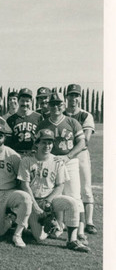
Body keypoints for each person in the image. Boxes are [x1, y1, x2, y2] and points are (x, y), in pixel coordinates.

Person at [17, 129, 90, 252]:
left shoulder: (57, 161)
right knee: (39, 238)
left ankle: (72, 240)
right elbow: (25, 185)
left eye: (50, 143)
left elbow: (59, 186)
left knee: (72, 203)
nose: (47, 146)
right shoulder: (27, 160)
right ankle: (44, 222)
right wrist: (36, 206)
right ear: (37, 143)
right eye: (44, 142)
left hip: (50, 200)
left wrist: (48, 201)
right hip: (33, 200)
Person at [37, 91, 86, 241]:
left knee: (74, 196)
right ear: (48, 105)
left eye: (58, 104)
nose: (55, 107)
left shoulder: (72, 122)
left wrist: (68, 156)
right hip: (50, 162)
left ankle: (80, 231)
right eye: (52, 104)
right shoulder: (43, 124)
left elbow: (82, 143)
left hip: (69, 161)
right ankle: (58, 226)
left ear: (63, 105)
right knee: (52, 195)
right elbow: (37, 145)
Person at [64, 83, 97, 234]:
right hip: (65, 155)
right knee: (66, 189)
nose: (73, 98)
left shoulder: (85, 115)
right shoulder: (62, 113)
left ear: (80, 97)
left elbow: (86, 139)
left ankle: (89, 222)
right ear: (67, 96)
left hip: (81, 154)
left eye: (76, 95)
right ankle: (67, 220)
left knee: (85, 188)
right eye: (71, 95)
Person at [6, 88, 42, 155]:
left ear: (31, 102)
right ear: (18, 101)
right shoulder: (10, 119)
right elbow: (8, 142)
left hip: (34, 154)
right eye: (22, 101)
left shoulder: (38, 117)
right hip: (16, 154)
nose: (25, 103)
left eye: (27, 101)